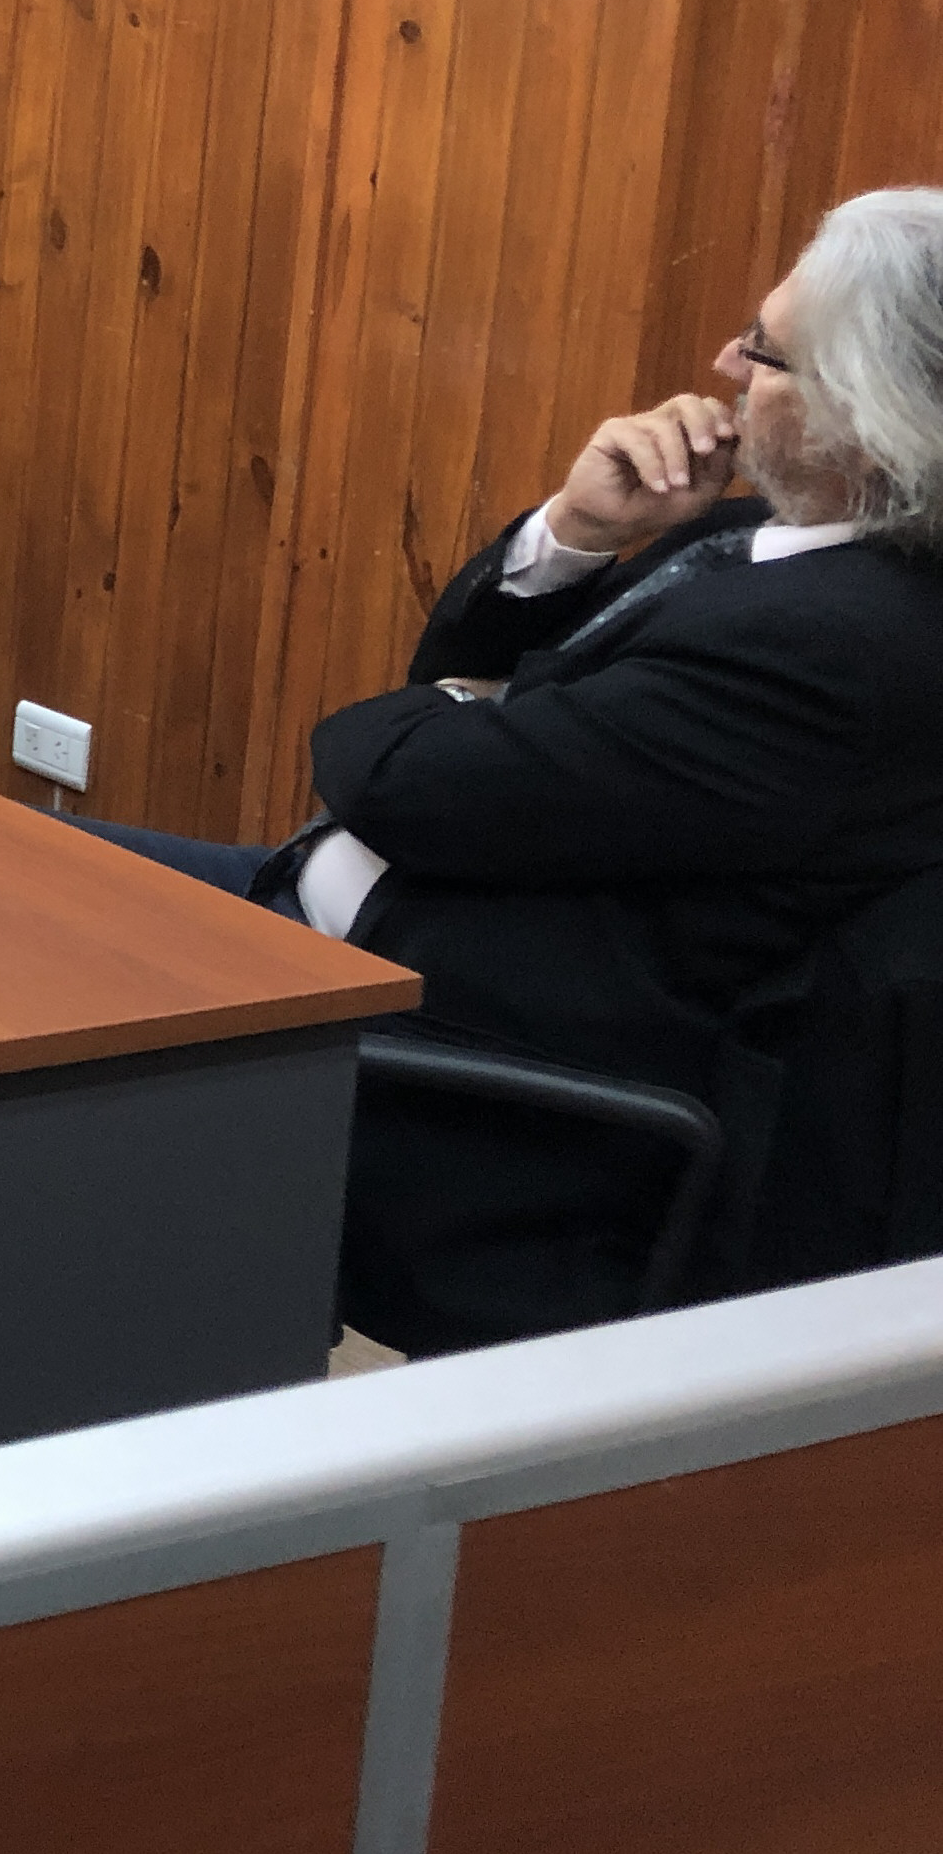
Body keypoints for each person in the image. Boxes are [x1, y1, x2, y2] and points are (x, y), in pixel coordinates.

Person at [80, 189, 943, 1352]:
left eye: (765, 349)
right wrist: (575, 535)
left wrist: (449, 714)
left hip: (437, 1047)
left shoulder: (838, 652)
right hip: (340, 924)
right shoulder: (745, 542)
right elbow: (461, 681)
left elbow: (402, 783)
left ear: (865, 416)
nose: (724, 365)